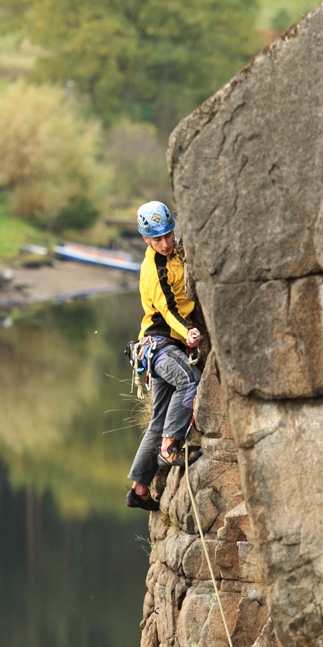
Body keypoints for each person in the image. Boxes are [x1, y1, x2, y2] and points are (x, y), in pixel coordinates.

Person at [126, 200, 203, 511]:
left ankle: (139, 488)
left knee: (157, 419)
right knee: (189, 380)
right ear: (146, 239)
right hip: (160, 345)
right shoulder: (152, 271)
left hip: (168, 345)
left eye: (169, 235)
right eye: (158, 239)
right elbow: (169, 311)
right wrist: (188, 332)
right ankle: (170, 447)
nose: (166, 243)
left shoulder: (176, 251)